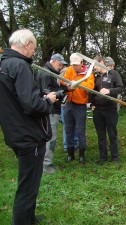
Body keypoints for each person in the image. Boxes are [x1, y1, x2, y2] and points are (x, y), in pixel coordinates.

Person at [0, 29, 57, 225]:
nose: (34, 51)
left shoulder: (4, 65)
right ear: (27, 44)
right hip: (29, 135)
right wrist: (48, 100)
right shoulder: (20, 66)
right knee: (29, 185)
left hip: (14, 131)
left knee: (29, 180)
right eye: (34, 47)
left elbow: (18, 99)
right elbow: (33, 105)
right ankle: (22, 221)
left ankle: (28, 217)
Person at [36, 53, 68, 174]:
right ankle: (46, 165)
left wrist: (65, 90)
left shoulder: (50, 73)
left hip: (50, 109)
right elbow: (46, 93)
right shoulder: (46, 74)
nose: (61, 67)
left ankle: (42, 163)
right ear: (53, 61)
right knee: (50, 137)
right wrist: (63, 92)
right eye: (60, 64)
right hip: (50, 110)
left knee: (46, 136)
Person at [62, 53, 95, 164]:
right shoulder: (70, 70)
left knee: (80, 131)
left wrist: (78, 84)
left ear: (82, 63)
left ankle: (82, 156)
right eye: (73, 65)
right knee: (68, 130)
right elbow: (63, 80)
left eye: (76, 65)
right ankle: (70, 155)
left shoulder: (88, 73)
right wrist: (67, 84)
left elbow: (90, 86)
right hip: (69, 104)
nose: (75, 67)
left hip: (80, 105)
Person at [91, 56, 124, 165]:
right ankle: (103, 157)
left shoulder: (113, 74)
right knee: (101, 135)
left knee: (112, 134)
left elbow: (120, 88)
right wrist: (92, 103)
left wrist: (109, 91)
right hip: (98, 110)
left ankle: (115, 157)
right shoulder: (95, 76)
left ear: (101, 62)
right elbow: (92, 91)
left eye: (95, 64)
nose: (94, 67)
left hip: (111, 110)